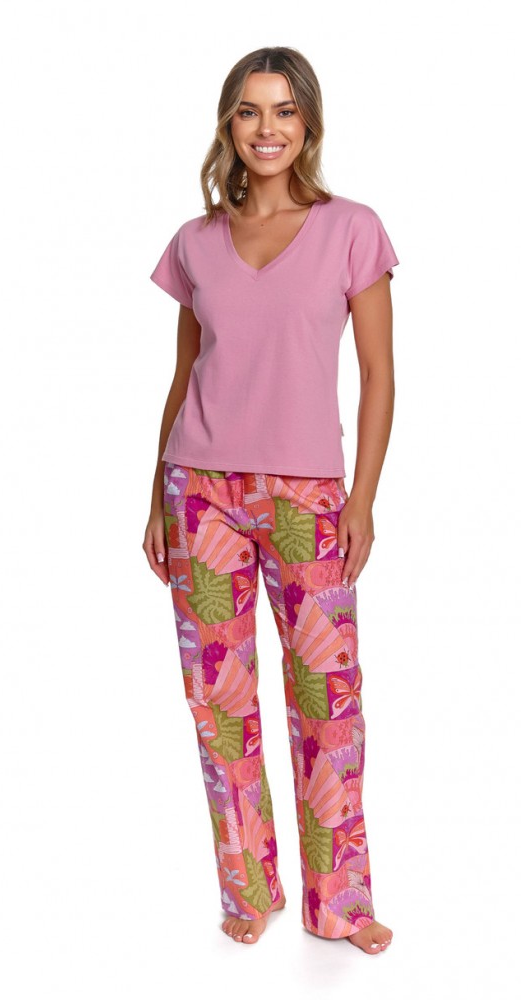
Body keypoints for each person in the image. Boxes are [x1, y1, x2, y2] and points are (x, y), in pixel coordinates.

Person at [142, 46, 398, 955]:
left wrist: (362, 500)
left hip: (308, 496)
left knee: (328, 698)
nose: (267, 129)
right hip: (200, 492)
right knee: (219, 701)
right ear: (229, 124)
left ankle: (341, 903)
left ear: (308, 124)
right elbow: (185, 374)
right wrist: (155, 497)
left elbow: (379, 377)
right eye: (249, 111)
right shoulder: (195, 242)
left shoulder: (351, 229)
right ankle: (247, 887)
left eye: (284, 111)